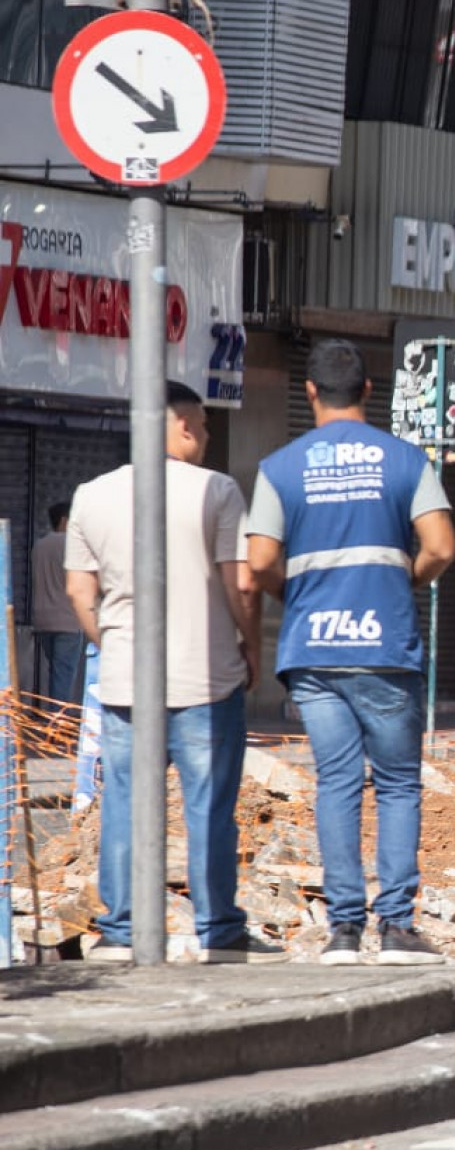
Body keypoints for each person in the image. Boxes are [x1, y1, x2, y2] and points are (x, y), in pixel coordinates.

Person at [246, 339, 455, 967]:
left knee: (336, 782)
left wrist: (297, 590)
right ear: (369, 392)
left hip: (314, 651)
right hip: (385, 646)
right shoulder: (404, 460)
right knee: (395, 784)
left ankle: (343, 932)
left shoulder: (280, 468)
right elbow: (442, 546)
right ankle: (395, 928)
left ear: (309, 392)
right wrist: (406, 579)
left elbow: (257, 561)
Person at [65, 382, 279, 964]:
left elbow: (80, 591)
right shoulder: (217, 489)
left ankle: (119, 930)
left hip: (124, 682)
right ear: (183, 426)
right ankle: (219, 931)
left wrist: (110, 641)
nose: (207, 437)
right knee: (209, 806)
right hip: (206, 679)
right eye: (205, 426)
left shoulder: (91, 494)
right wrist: (250, 646)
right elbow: (241, 584)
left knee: (125, 805)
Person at [31, 501, 85, 713]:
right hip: (68, 621)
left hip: (43, 621)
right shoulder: (71, 545)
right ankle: (57, 727)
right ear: (64, 520)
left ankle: (51, 722)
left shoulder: (39, 546)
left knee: (53, 673)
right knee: (63, 676)